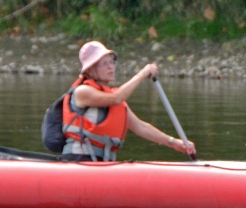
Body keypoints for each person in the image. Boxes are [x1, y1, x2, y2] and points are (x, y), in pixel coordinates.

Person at [62, 40, 197, 161]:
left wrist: (174, 142)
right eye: (104, 64)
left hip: (102, 162)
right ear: (90, 71)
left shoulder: (113, 97)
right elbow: (116, 98)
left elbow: (141, 127)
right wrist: (142, 74)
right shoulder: (82, 91)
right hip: (78, 159)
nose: (111, 67)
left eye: (111, 62)